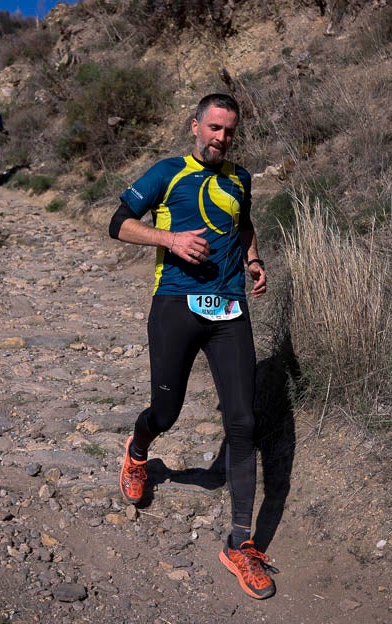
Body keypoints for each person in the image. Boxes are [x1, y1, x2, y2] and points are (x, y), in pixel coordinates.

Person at [109, 93, 275, 600]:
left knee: (243, 423)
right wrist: (170, 239)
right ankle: (138, 453)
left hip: (229, 308)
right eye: (214, 128)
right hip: (176, 305)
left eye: (229, 131)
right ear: (195, 126)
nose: (221, 138)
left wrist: (252, 260)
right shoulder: (167, 172)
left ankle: (240, 544)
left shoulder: (240, 178)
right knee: (167, 409)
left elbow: (242, 224)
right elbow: (117, 224)